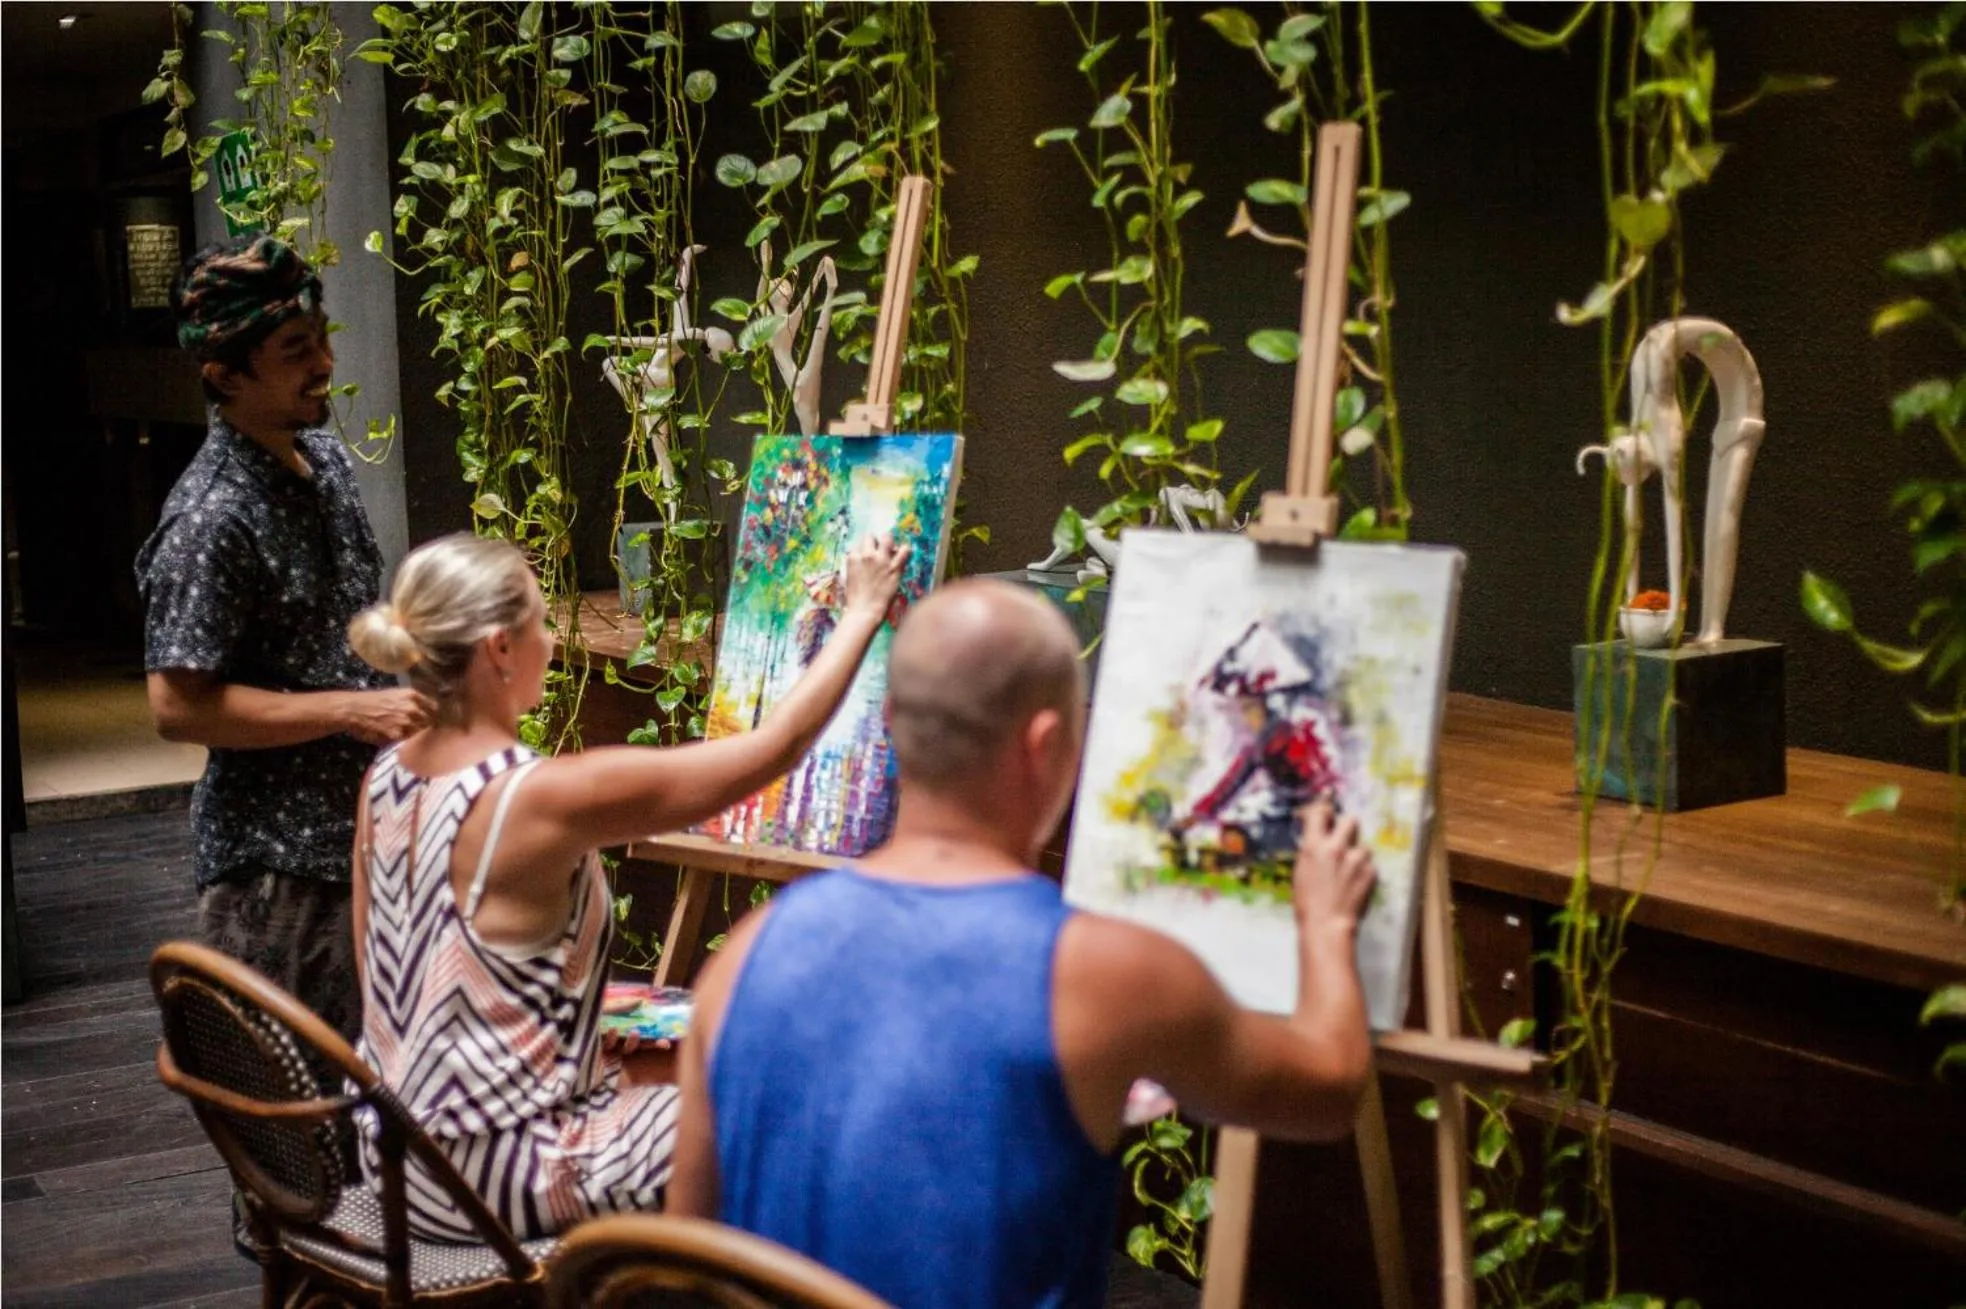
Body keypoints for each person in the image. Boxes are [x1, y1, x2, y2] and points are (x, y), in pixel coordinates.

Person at [668, 579, 1378, 1308]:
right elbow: (1327, 1090)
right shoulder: (1107, 975)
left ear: (890, 723)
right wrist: (1326, 927)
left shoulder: (744, 955)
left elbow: (681, 1257)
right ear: (1047, 745)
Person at [343, 529, 908, 1242]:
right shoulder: (531, 797)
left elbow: (386, 982)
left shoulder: (386, 775)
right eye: (541, 622)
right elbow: (772, 751)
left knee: (669, 1062)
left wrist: (559, 1040)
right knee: (778, 1112)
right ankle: (693, 1282)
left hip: (398, 1154)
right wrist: (861, 613)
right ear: (500, 648)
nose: (552, 640)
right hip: (491, 1177)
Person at [137, 234, 431, 1043]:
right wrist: (350, 709)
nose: (325, 363)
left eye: (322, 338)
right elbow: (176, 707)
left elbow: (338, 624)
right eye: (296, 351)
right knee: (307, 1104)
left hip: (368, 839)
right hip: (278, 871)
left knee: (384, 1087)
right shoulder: (211, 517)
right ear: (226, 375)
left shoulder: (325, 460)